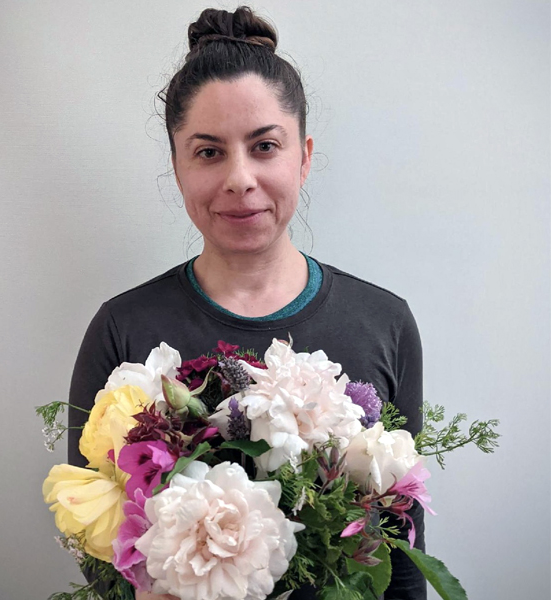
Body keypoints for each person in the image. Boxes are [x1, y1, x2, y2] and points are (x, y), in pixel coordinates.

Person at [68, 6, 425, 600]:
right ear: (177, 167)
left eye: (264, 146)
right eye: (208, 152)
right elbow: (97, 546)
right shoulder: (123, 329)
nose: (239, 178)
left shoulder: (384, 324)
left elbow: (400, 554)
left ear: (303, 156)